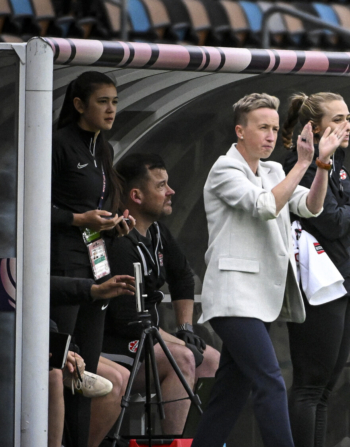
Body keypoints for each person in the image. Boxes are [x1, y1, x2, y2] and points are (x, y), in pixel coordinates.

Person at [193, 92, 341, 447]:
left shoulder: (275, 170)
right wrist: (303, 164)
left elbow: (310, 207)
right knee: (270, 381)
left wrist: (321, 165)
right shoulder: (224, 168)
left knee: (231, 392)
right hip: (231, 298)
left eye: (275, 128)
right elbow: (264, 206)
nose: (272, 135)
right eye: (263, 128)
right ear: (240, 131)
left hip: (257, 300)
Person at [281, 92, 350, 447]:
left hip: (344, 281)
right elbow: (334, 222)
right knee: (311, 384)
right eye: (338, 120)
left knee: (326, 386)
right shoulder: (303, 165)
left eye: (348, 117)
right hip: (319, 285)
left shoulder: (340, 162)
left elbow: (348, 219)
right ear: (314, 128)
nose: (347, 125)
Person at [101, 153, 221, 436]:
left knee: (214, 360)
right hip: (119, 347)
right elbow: (129, 321)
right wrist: (177, 342)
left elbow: (182, 277)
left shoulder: (158, 232)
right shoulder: (120, 242)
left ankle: (201, 440)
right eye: (161, 186)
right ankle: (171, 442)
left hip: (149, 340)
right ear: (136, 196)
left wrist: (185, 328)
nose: (171, 191)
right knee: (183, 358)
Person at [51, 71, 132, 447]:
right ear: (79, 105)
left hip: (97, 260)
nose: (112, 109)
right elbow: (28, 206)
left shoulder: (104, 149)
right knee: (63, 369)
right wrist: (76, 219)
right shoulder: (57, 144)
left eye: (115, 101)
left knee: (88, 380)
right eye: (103, 101)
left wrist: (115, 224)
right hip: (65, 266)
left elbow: (98, 208)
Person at [48, 275, 136, 447]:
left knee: (119, 378)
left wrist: (64, 348)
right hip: (20, 338)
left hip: (44, 331)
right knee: (54, 375)